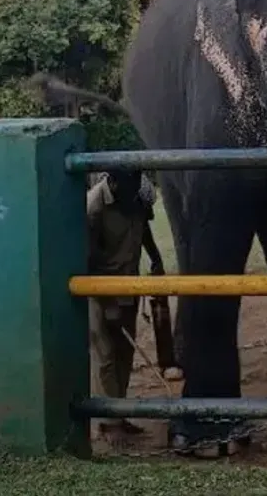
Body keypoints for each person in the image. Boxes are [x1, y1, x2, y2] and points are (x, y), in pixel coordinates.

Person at [86, 168, 161, 443]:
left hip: (129, 284)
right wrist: (108, 303)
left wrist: (156, 259)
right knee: (105, 355)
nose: (133, 190)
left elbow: (145, 230)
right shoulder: (93, 206)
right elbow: (88, 259)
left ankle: (119, 412)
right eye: (128, 185)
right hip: (100, 290)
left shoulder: (136, 198)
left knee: (124, 353)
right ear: (113, 181)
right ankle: (107, 421)